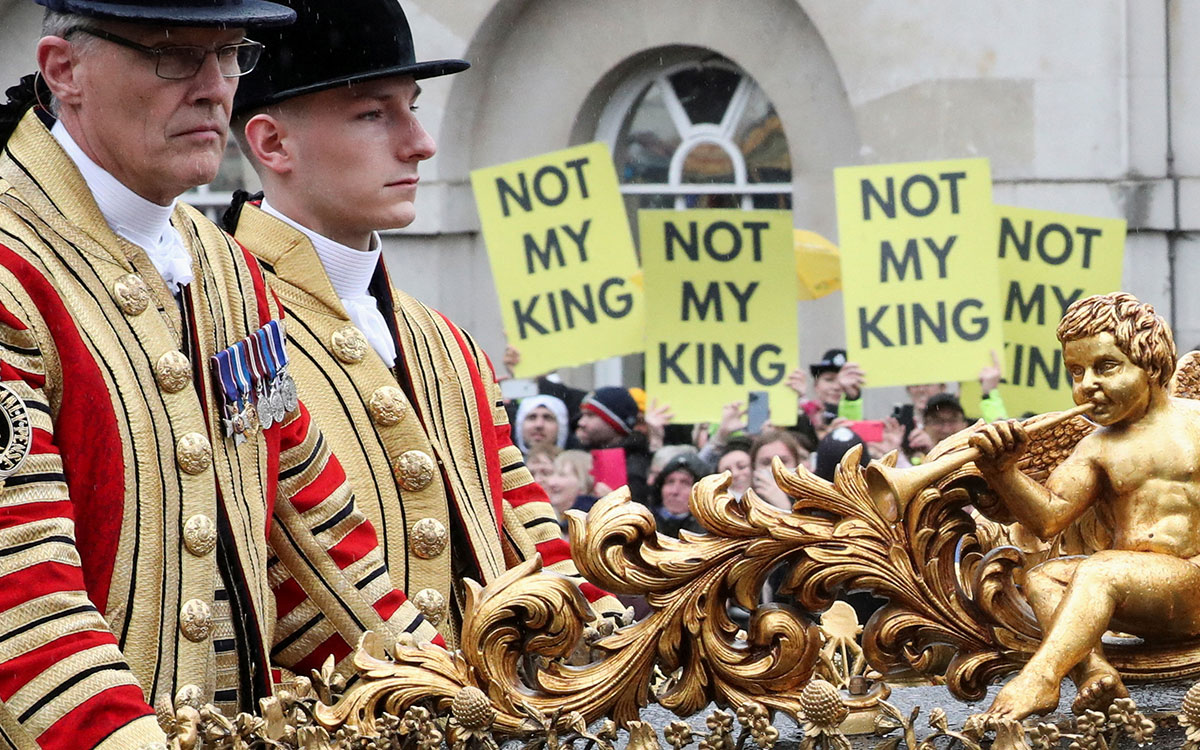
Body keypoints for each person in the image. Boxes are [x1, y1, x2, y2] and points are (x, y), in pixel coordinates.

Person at [0, 0, 438, 745]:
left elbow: (316, 545)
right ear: (63, 70)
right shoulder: (11, 266)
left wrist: (443, 696)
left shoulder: (229, 270)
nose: (213, 87)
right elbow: (22, 598)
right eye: (174, 55)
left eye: (231, 53)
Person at [222, 0, 622, 645]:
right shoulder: (219, 329)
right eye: (373, 114)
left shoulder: (446, 342)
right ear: (272, 142)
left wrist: (611, 641)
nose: (421, 143)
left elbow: (529, 531)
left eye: (411, 106)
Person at [972, 293, 1200, 720]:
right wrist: (1003, 472)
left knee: (1101, 569)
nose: (1088, 384)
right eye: (1076, 372)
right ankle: (1094, 671)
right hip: (1137, 594)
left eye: (1105, 366)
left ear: (1150, 365)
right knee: (1043, 580)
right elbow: (1049, 518)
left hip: (1194, 584)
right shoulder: (1095, 448)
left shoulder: (1196, 423)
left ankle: (1041, 678)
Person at [574, 386, 652, 503]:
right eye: (583, 415)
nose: (581, 422)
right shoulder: (588, 453)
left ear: (614, 422)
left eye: (590, 415)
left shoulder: (635, 464)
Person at [650, 453, 711, 538]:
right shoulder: (645, 527)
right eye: (670, 482)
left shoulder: (710, 534)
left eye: (685, 483)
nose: (675, 491)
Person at [750, 428, 808, 509]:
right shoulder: (743, 506)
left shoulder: (810, 503)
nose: (775, 468)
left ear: (796, 464)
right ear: (753, 467)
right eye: (766, 462)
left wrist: (785, 507)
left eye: (783, 461)